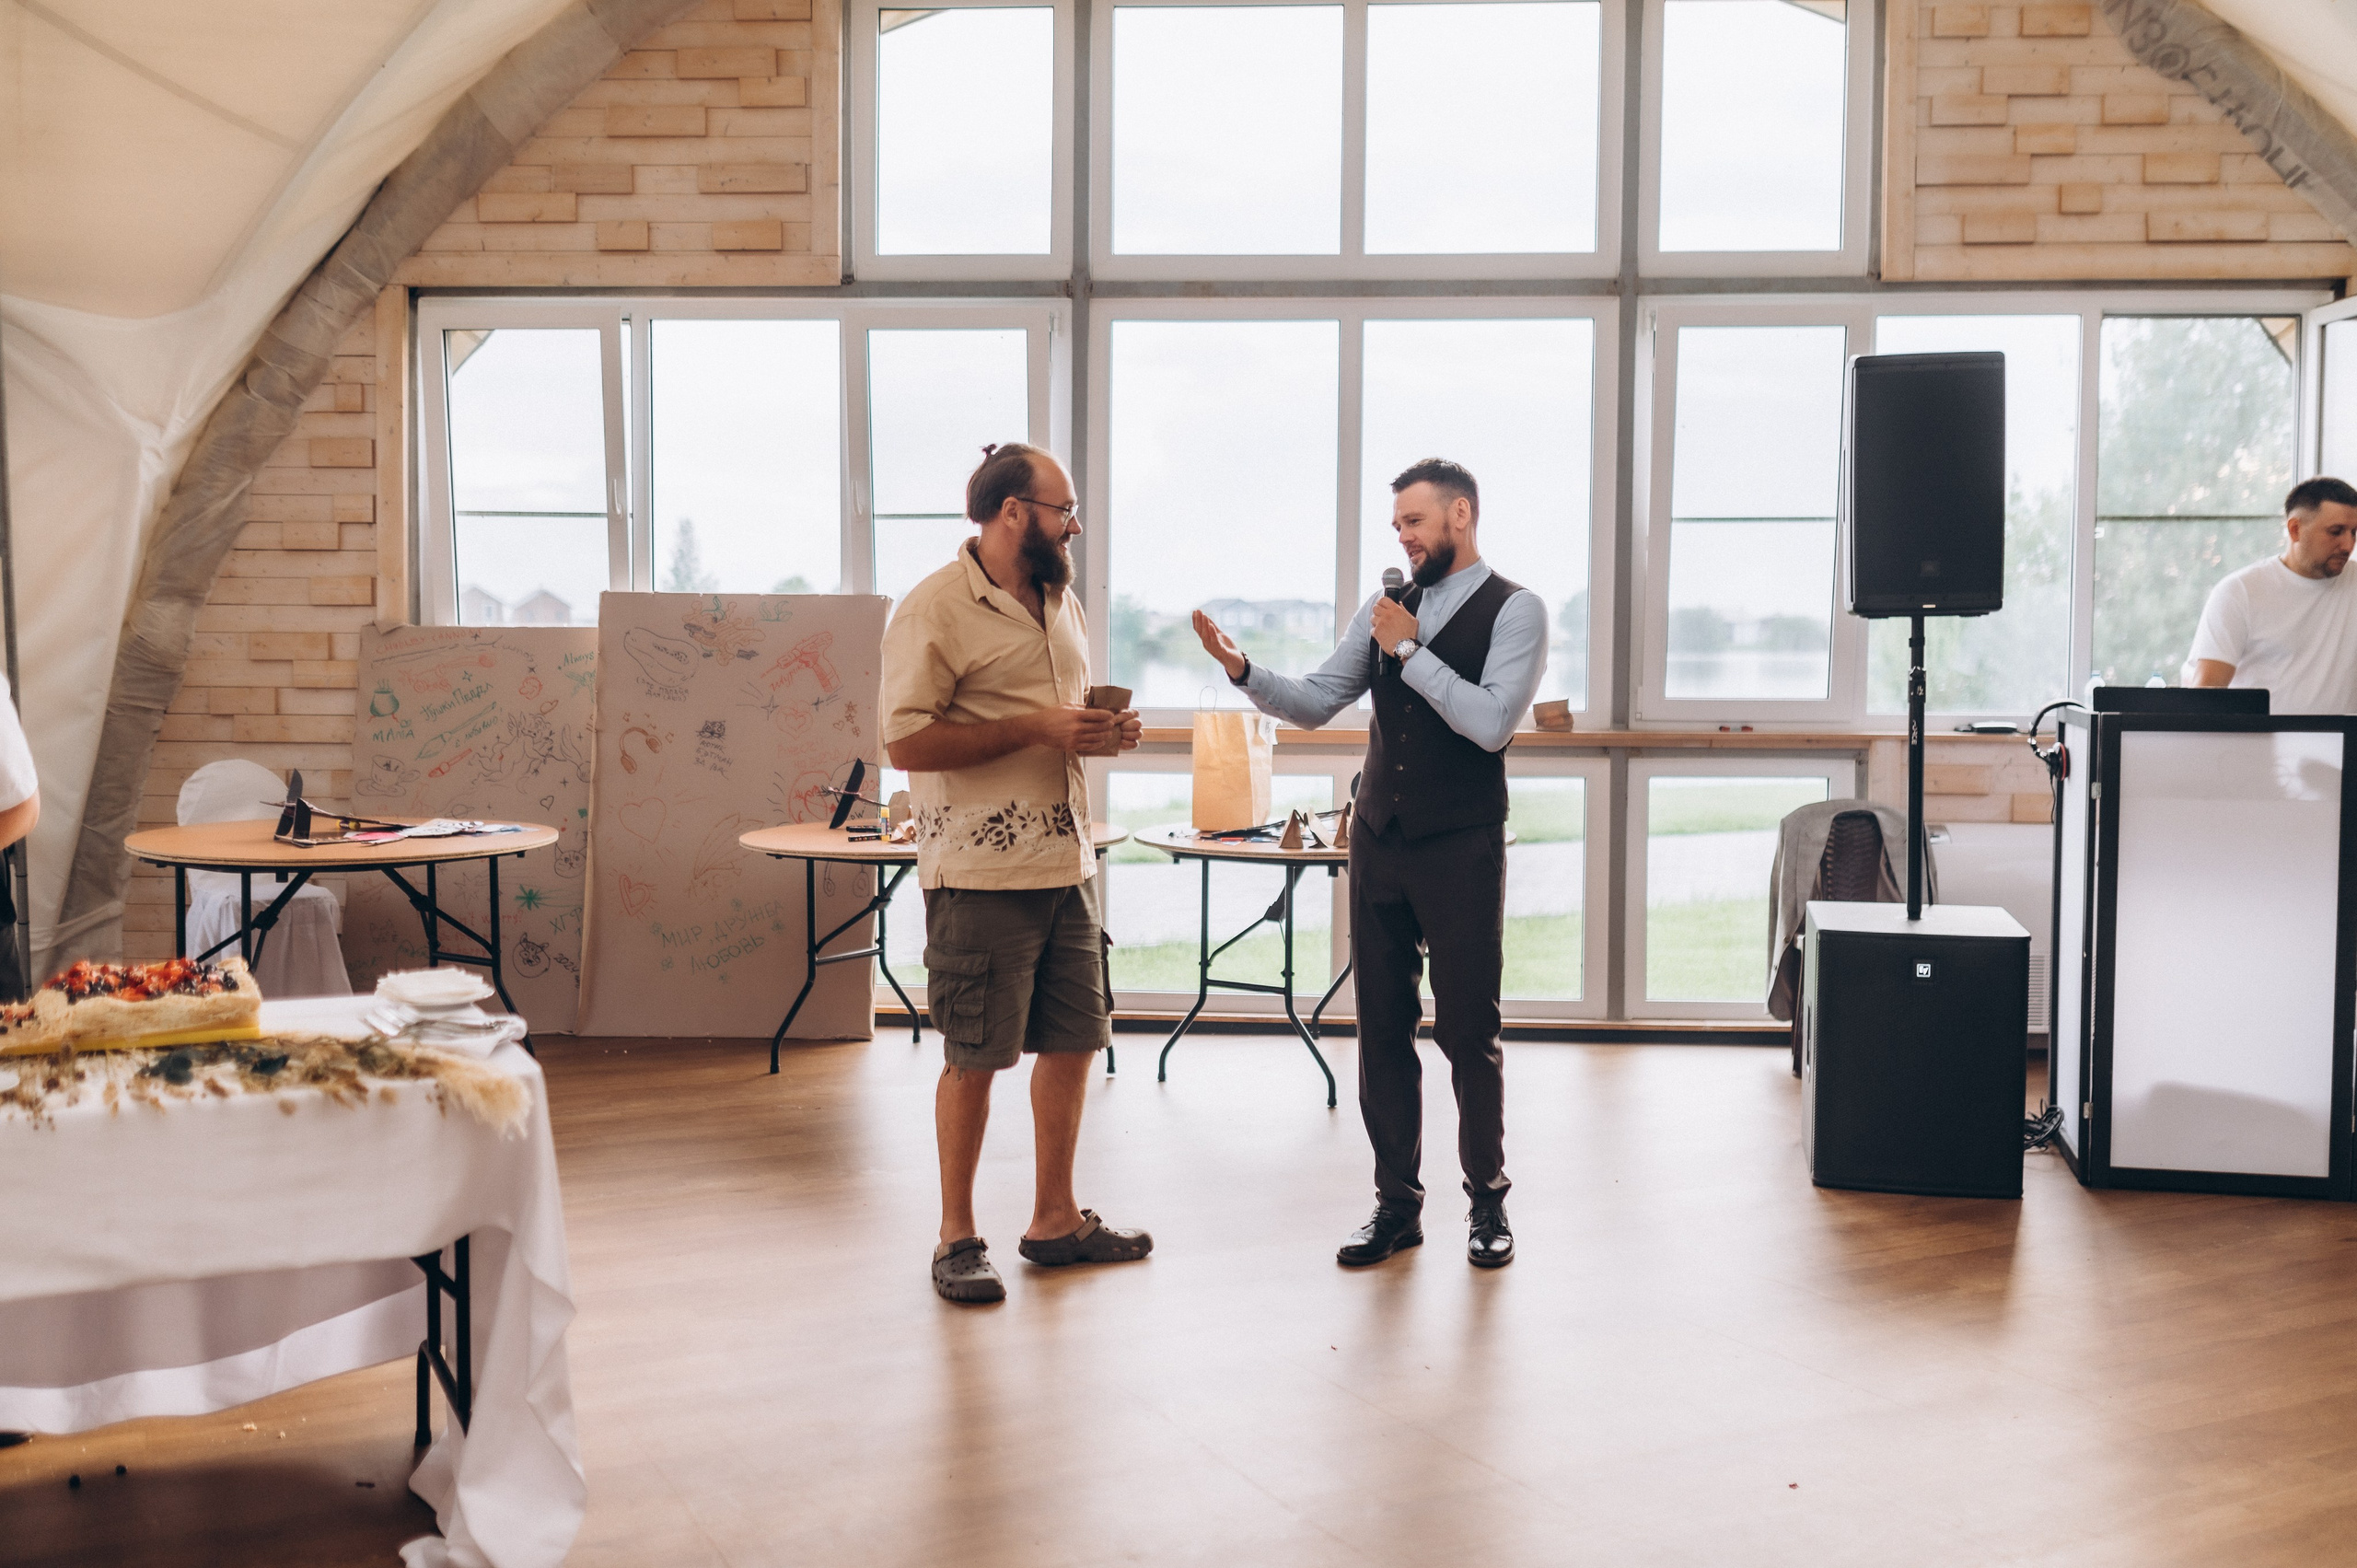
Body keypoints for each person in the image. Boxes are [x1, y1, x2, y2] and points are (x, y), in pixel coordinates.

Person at [1193, 458, 1548, 1270]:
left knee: (1467, 1032)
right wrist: (1244, 671)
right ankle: (1396, 1206)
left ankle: (1487, 1203)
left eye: (1415, 522)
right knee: (1381, 1030)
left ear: (1461, 514)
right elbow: (1320, 700)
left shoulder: (1517, 610)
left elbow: (1490, 723)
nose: (1404, 537)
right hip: (1379, 841)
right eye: (1398, 526)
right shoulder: (1387, 609)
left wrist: (1412, 651)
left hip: (1461, 846)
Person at [881, 442, 1151, 1306]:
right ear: (1011, 511)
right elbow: (905, 742)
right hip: (976, 871)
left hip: (1066, 860)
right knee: (976, 1053)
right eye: (1062, 509)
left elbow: (1054, 718)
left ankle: (1054, 1220)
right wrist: (1037, 729)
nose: (1073, 525)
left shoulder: (1060, 600)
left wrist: (1097, 733)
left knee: (1075, 1039)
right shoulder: (932, 609)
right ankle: (956, 1236)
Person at [2185, 477, 2357, 712]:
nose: (2348, 545)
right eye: (2335, 532)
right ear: (2295, 529)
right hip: (2254, 746)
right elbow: (2205, 696)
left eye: (2354, 532)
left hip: (2343, 746)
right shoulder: (2239, 592)